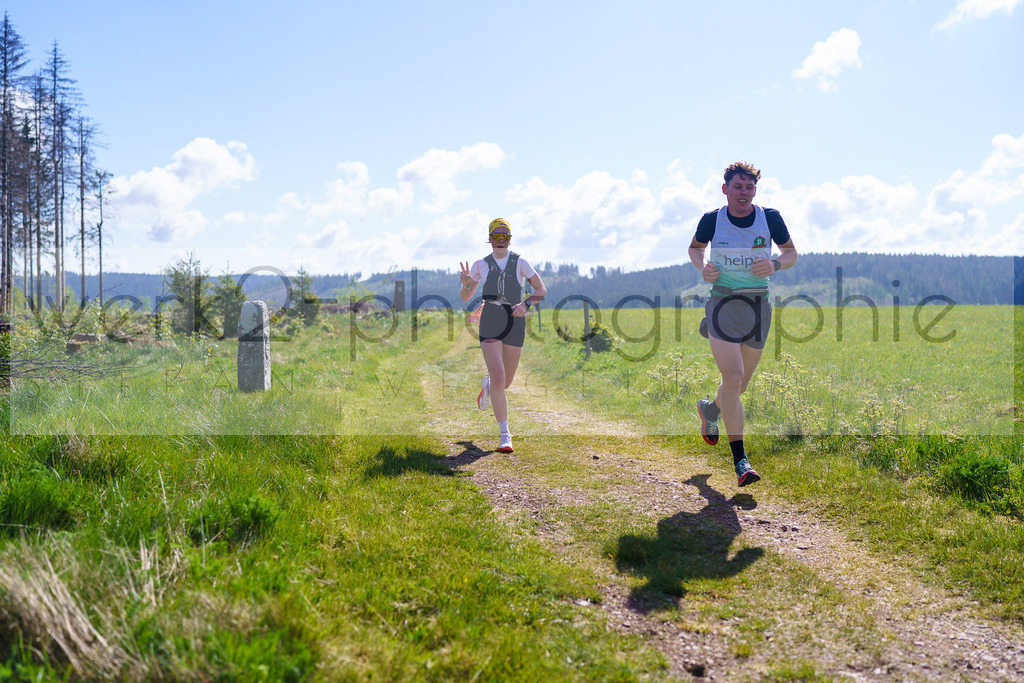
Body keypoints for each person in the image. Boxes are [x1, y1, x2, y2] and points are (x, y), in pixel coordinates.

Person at [688, 161, 798, 486]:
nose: (744, 193)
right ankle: (741, 463)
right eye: (738, 187)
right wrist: (703, 265)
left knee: (739, 386)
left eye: (750, 187)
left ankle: (710, 411)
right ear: (726, 189)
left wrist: (776, 264)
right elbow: (695, 249)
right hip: (722, 303)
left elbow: (792, 253)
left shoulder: (770, 217)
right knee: (733, 376)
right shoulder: (712, 220)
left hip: (758, 306)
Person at [459, 218, 547, 453]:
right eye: (496, 235)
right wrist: (466, 284)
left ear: (510, 238)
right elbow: (466, 297)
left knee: (504, 383)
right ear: (489, 238)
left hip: (515, 322)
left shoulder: (520, 262)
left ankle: (488, 386)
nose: (500, 240)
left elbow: (541, 289)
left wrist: (526, 304)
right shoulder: (480, 265)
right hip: (490, 320)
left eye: (504, 236)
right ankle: (505, 435)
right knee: (499, 379)